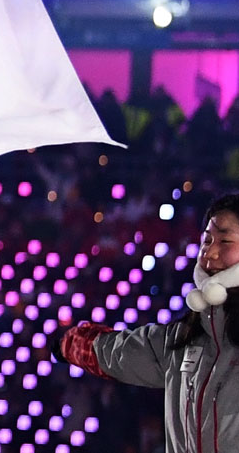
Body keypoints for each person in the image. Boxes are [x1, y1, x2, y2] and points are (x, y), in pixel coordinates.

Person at [49, 193, 239, 452]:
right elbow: (120, 351)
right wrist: (69, 343)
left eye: (225, 241)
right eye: (207, 240)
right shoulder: (183, 340)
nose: (210, 252)